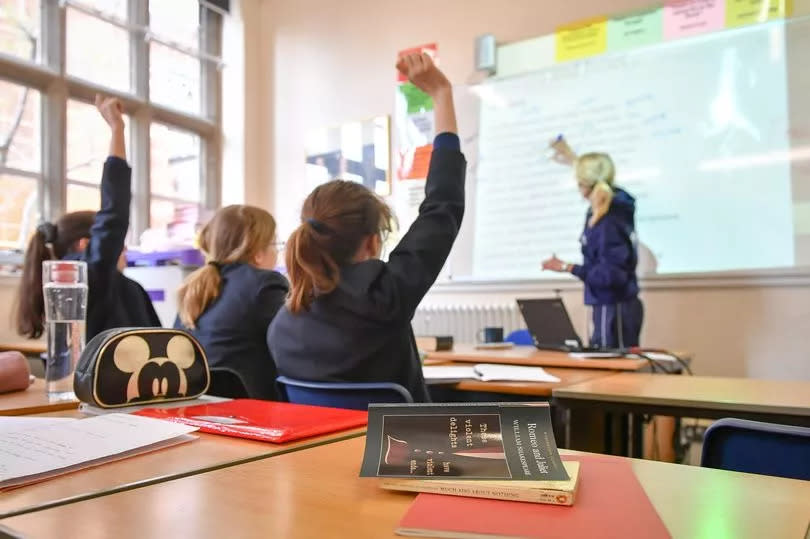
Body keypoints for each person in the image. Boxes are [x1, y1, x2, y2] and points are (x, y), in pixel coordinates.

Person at [268, 52, 465, 402]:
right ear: (372, 244)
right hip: (404, 456)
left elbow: (441, 206)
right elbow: (443, 205)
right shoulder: (386, 295)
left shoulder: (282, 324)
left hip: (318, 458)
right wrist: (441, 94)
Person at [16, 95, 160, 342]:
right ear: (84, 244)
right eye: (119, 244)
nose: (123, 249)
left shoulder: (127, 288)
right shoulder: (84, 278)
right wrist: (117, 129)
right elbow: (113, 215)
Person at [175, 205, 288, 400]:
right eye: (274, 244)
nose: (276, 253)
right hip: (253, 410)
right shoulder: (265, 283)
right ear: (258, 253)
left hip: (200, 405)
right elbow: (291, 347)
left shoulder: (194, 288)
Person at [542, 138, 643, 348]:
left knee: (611, 374)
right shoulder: (607, 210)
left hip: (613, 307)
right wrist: (571, 158)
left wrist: (568, 267)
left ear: (584, 182)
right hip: (608, 305)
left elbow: (609, 275)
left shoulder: (609, 219)